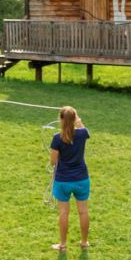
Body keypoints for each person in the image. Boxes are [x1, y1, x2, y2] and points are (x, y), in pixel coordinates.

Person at [49, 105, 91, 250]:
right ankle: (84, 242)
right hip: (81, 179)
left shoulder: (57, 138)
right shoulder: (82, 133)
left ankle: (63, 244)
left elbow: (53, 162)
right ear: (75, 119)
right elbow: (83, 128)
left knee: (63, 213)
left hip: (63, 181)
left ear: (60, 119)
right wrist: (78, 120)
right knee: (83, 211)